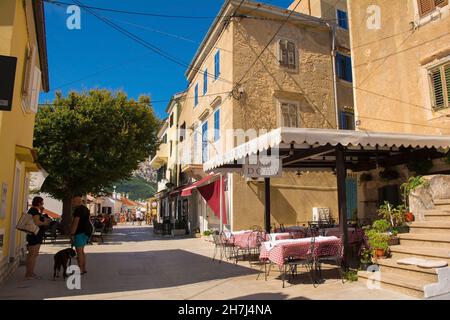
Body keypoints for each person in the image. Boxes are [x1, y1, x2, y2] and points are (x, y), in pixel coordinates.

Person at [25, 196, 51, 280]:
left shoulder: (33, 210)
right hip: (35, 235)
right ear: (39, 203)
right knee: (33, 255)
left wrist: (41, 211)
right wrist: (45, 223)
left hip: (32, 235)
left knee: (31, 255)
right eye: (42, 203)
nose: (43, 204)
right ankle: (30, 274)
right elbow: (37, 222)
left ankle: (28, 273)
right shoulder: (34, 211)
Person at [70, 194, 90, 275]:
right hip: (86, 232)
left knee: (79, 252)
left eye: (73, 201)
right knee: (82, 251)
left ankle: (81, 269)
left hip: (79, 232)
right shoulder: (86, 209)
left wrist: (72, 234)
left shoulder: (78, 210)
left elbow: (75, 222)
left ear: (77, 201)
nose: (72, 203)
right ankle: (83, 268)